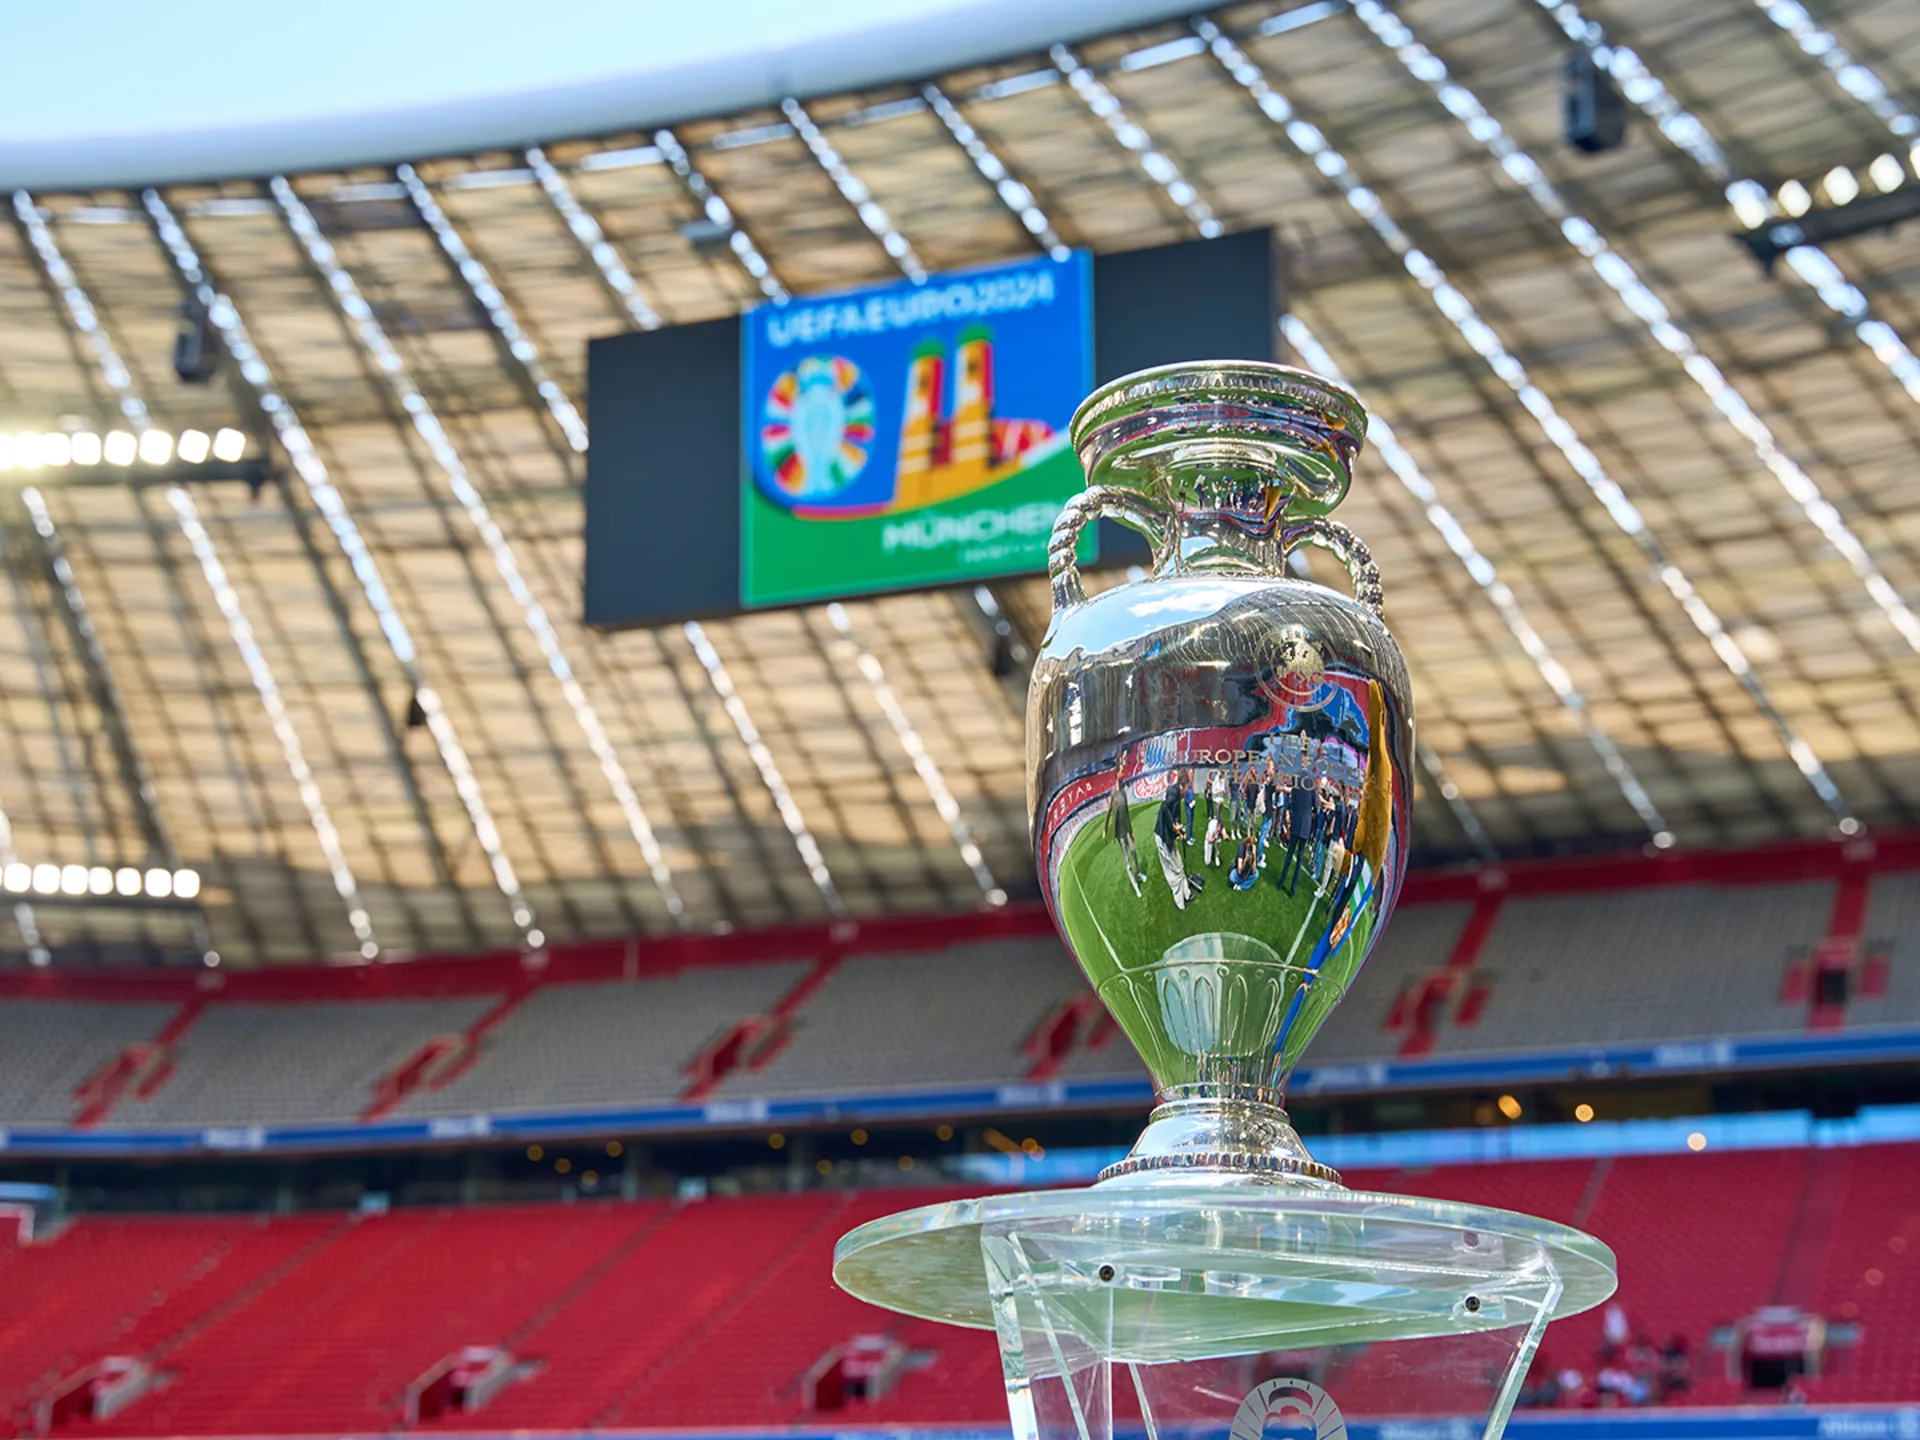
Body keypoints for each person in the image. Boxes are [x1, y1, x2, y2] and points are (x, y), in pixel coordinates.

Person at [1154, 778, 1203, 909]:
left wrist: (1180, 832)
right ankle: (1180, 902)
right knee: (1174, 871)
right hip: (1163, 838)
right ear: (1183, 786)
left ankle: (1187, 893)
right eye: (1187, 787)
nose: (1187, 791)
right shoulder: (1173, 793)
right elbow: (1164, 808)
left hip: (1169, 837)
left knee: (1180, 865)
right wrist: (1173, 826)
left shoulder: (1177, 796)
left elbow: (1174, 817)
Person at [1107, 752, 1145, 896]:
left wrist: (1131, 830)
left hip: (1127, 830)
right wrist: (1105, 831)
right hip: (1120, 834)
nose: (1124, 774)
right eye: (1122, 772)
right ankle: (1135, 886)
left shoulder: (1123, 792)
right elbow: (1109, 813)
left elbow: (1127, 812)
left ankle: (1139, 873)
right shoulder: (1113, 794)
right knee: (1127, 862)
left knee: (1134, 852)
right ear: (1117, 774)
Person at [1276, 770, 1317, 895]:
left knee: (1289, 855)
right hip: (1305, 825)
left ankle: (1281, 882)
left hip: (1296, 822)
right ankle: (1292, 889)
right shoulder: (1312, 781)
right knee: (1299, 859)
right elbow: (1314, 804)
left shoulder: (1297, 778)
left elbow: (1292, 802)